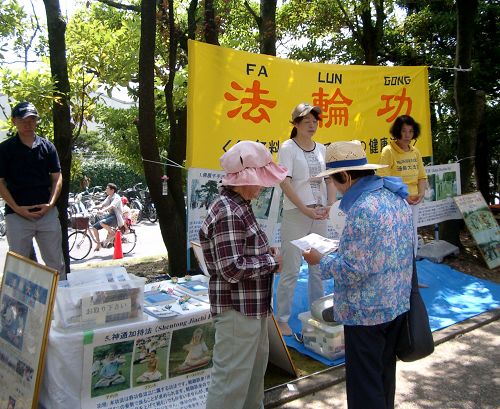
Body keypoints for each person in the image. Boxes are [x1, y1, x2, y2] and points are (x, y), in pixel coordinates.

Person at [303, 140, 413, 409]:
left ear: (347, 176)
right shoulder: (393, 196)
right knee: (384, 375)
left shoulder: (362, 208)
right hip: (396, 302)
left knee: (365, 386)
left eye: (334, 180)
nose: (335, 187)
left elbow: (353, 270)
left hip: (366, 312)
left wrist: (319, 260)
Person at [199, 140, 287, 409]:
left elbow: (241, 252)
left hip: (250, 308)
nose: (262, 187)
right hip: (237, 308)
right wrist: (270, 261)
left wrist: (264, 251)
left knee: (250, 378)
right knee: (230, 384)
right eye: (260, 179)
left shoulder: (238, 205)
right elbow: (231, 267)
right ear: (244, 179)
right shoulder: (229, 211)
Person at [275, 102, 337, 336]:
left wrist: (330, 205)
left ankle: (318, 311)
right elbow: (285, 182)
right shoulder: (288, 148)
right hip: (296, 213)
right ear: (296, 124)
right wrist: (304, 209)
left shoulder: (322, 148)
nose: (312, 125)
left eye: (315, 121)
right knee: (291, 268)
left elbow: (330, 180)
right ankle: (282, 319)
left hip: (319, 213)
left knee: (318, 266)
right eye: (306, 121)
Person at [0, 101, 65, 277]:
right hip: (17, 215)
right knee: (19, 266)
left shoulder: (47, 146)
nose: (28, 124)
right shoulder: (5, 149)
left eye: (32, 120)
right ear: (14, 121)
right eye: (23, 120)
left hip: (47, 214)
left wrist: (51, 204)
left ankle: (60, 300)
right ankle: (20, 305)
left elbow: (57, 177)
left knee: (55, 263)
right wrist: (16, 208)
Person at [378, 115, 428, 254]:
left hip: (414, 200)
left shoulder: (415, 152)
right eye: (404, 131)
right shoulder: (388, 151)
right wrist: (404, 196)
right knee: (397, 233)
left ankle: (412, 265)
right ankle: (397, 266)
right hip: (397, 200)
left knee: (412, 232)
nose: (407, 135)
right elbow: (384, 178)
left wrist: (421, 194)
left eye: (410, 131)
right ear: (397, 131)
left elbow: (422, 176)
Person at [90, 183, 124, 251]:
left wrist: (102, 211)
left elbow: (112, 206)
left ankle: (114, 234)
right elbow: (102, 205)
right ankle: (98, 244)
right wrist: (92, 207)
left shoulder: (116, 197)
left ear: (112, 190)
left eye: (107, 188)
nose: (106, 190)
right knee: (94, 227)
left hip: (117, 217)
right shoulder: (109, 197)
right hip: (111, 216)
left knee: (102, 222)